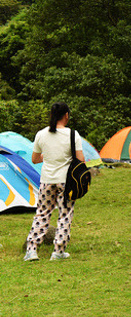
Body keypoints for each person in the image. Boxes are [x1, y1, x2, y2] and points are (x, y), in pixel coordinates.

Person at [24, 102, 85, 261]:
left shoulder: (41, 134)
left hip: (46, 181)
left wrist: (48, 155)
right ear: (66, 115)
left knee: (42, 214)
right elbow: (81, 160)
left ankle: (31, 250)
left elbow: (35, 159)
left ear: (51, 115)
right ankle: (58, 252)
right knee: (65, 215)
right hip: (66, 182)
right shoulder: (73, 134)